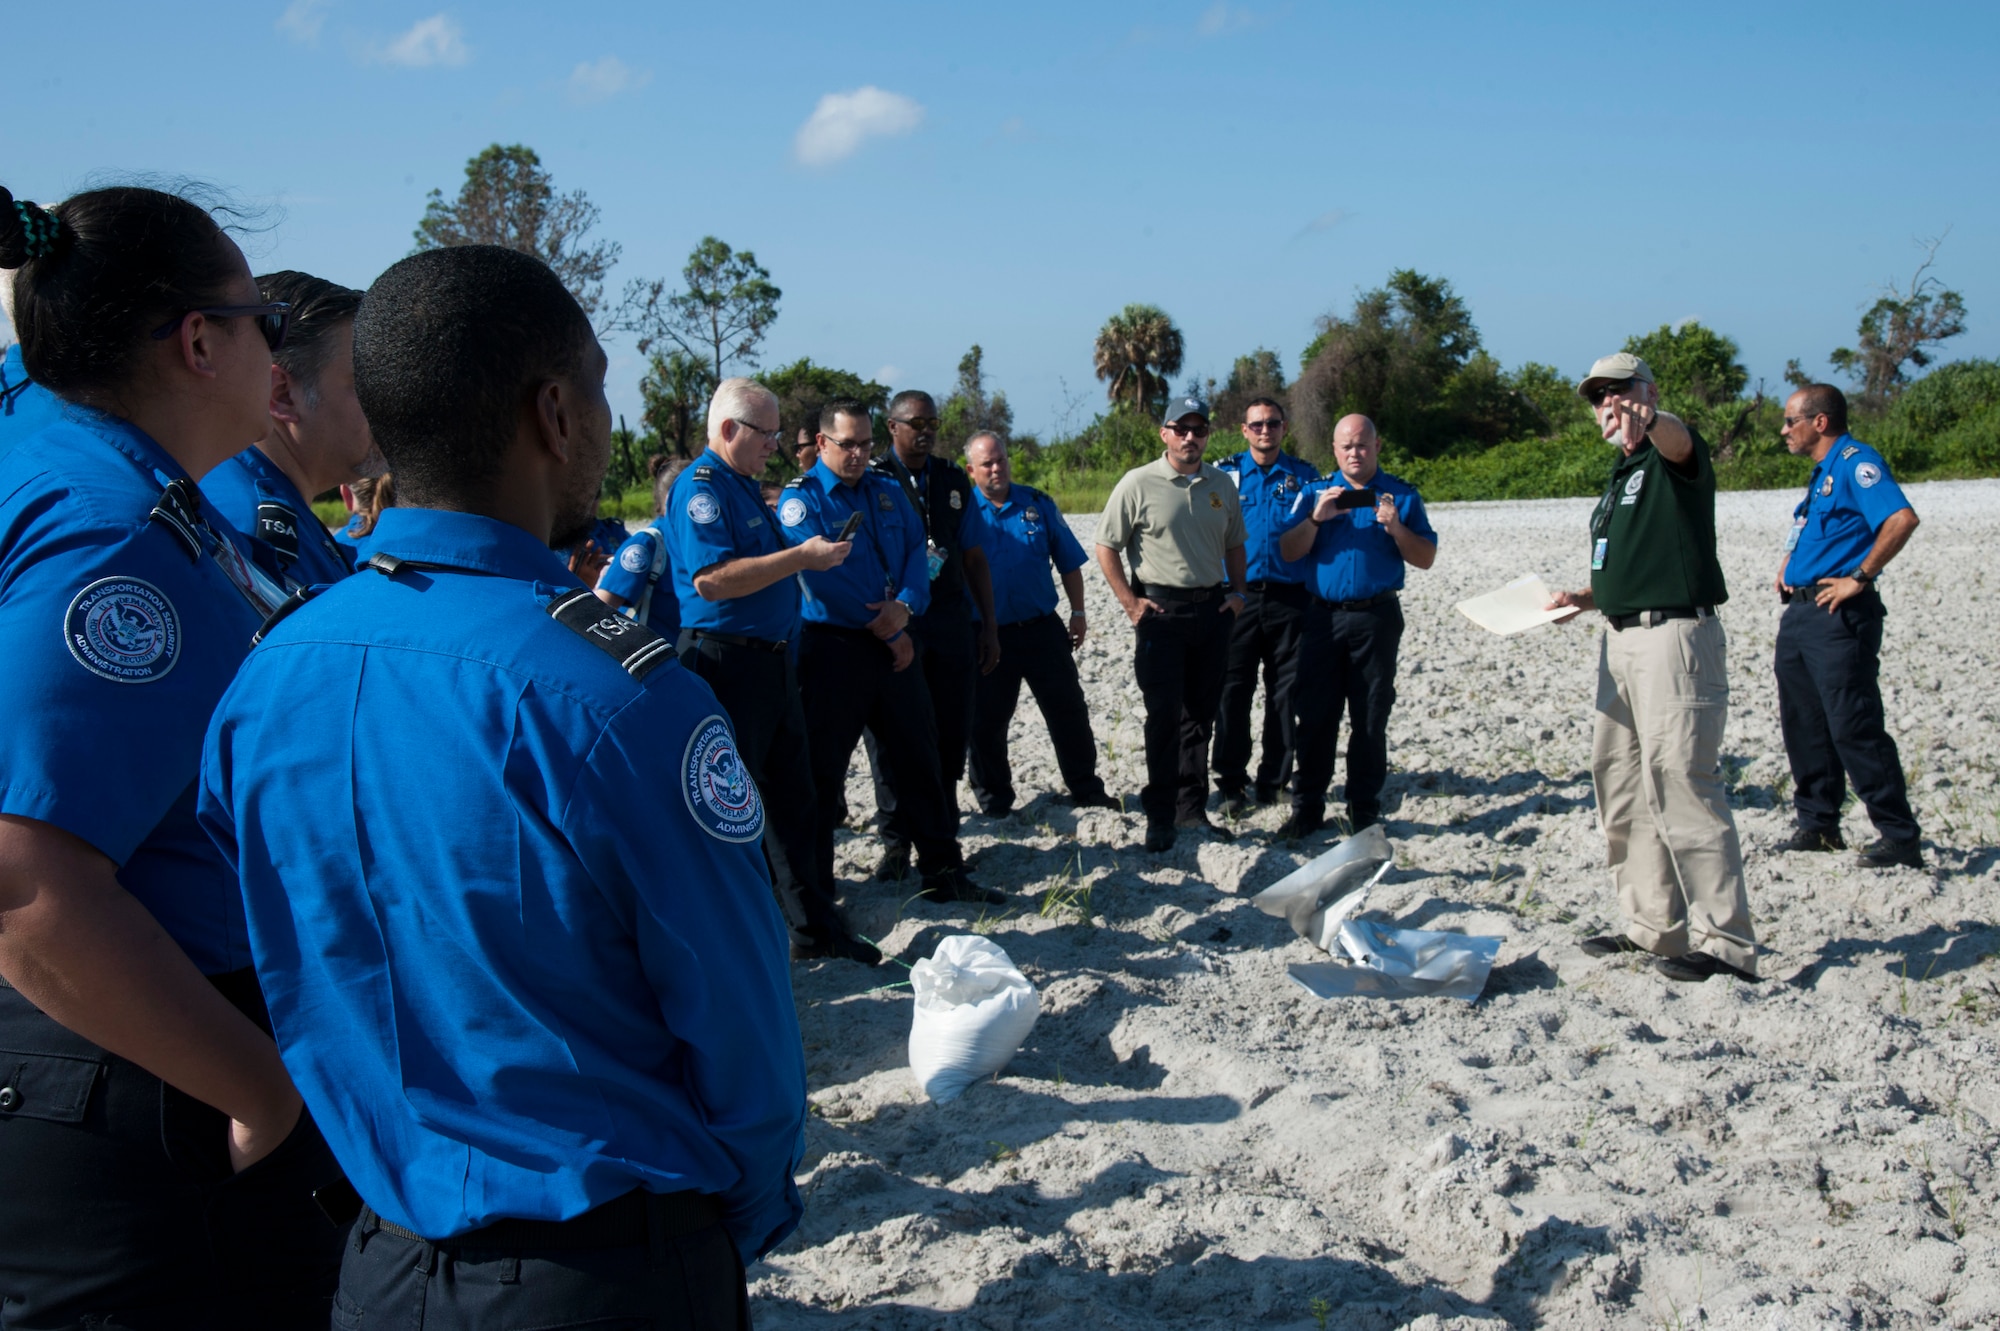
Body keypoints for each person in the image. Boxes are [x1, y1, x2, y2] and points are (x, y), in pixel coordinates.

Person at [198, 244, 805, 1328]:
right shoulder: (621, 692)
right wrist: (739, 1213)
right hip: (604, 1264)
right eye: (604, 391)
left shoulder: (268, 669)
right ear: (556, 414)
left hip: (379, 1261)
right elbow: (739, 1021)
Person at [0, 183, 342, 1328]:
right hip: (133, 1071)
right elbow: (24, 880)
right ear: (200, 342)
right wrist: (258, 1089)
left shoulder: (49, 438)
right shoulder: (117, 537)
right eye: (266, 323)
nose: (278, 357)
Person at [1547, 352, 1758, 984]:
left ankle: (1725, 942)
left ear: (1648, 392)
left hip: (1675, 639)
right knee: (1622, 784)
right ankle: (1653, 929)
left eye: (1620, 391)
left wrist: (1655, 417)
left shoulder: (1671, 455)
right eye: (1597, 396)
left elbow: (1679, 440)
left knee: (1684, 782)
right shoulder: (1621, 472)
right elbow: (1631, 556)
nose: (1608, 404)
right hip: (1621, 639)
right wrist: (1588, 598)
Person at [667, 378, 882, 964]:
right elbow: (712, 579)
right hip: (726, 664)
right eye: (767, 433)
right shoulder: (702, 490)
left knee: (795, 799)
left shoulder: (742, 488)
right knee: (733, 811)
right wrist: (800, 558)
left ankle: (815, 931)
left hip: (770, 663)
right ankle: (742, 939)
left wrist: (809, 550)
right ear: (730, 430)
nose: (777, 443)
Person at [779, 398, 1000, 903]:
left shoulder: (885, 491)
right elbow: (824, 579)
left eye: (864, 443)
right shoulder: (803, 499)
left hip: (897, 640)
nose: (857, 454)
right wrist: (888, 628)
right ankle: (816, 893)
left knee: (920, 759)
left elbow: (917, 557)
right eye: (846, 444)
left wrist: (905, 606)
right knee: (824, 774)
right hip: (835, 648)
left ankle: (944, 873)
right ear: (821, 444)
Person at [1772, 383, 1924, 869]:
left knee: (1851, 722)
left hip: (1838, 614)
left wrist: (1860, 577)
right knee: (1805, 723)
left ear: (1820, 422)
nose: (1784, 430)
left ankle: (1898, 835)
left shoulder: (1858, 460)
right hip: (1801, 611)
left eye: (1791, 420)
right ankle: (1819, 824)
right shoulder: (1822, 474)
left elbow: (1900, 518)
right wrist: (1790, 563)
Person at [1094, 394, 1249, 853]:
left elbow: (1236, 544)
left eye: (1198, 430)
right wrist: (1129, 602)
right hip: (1160, 614)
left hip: (1213, 612)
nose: (1190, 437)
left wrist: (1238, 594)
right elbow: (1106, 546)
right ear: (1164, 433)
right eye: (1181, 429)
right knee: (1164, 716)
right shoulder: (1137, 483)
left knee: (1200, 716)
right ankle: (1159, 815)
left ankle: (1191, 810)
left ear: (1207, 435)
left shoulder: (1221, 483)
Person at [1275, 414, 1436, 838]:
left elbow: (1425, 557)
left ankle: (1363, 809)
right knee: (1314, 716)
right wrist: (1315, 519)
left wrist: (1396, 527)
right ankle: (1307, 807)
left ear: (1377, 446)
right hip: (1321, 617)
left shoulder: (1401, 495)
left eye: (1362, 445)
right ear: (1334, 450)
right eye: (1346, 445)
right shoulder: (1313, 493)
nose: (1354, 452)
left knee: (1370, 715)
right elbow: (1287, 552)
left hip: (1375, 618)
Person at [863, 390, 1000, 881]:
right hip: (896, 622)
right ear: (892, 427)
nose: (925, 431)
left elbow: (973, 557)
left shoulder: (949, 479)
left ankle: (940, 832)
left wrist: (987, 623)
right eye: (915, 422)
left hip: (948, 621)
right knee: (892, 738)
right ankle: (897, 843)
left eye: (933, 423)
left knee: (949, 731)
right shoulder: (872, 479)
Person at [960, 430, 1118, 816]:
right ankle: (995, 800)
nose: (997, 468)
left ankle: (1086, 788)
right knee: (987, 722)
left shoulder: (1037, 503)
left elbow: (1068, 562)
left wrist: (1078, 613)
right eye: (987, 464)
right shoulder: (960, 512)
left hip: (1041, 628)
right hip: (985, 634)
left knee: (1069, 710)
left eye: (1001, 459)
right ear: (970, 470)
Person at [201, 270, 381, 587]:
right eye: (363, 384)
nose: (384, 404)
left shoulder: (266, 507)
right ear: (283, 395)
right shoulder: (251, 536)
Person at [1212, 396, 1319, 818]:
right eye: (1256, 424)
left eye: (1272, 424)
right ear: (1243, 429)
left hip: (1292, 598)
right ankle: (1231, 783)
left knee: (1285, 695)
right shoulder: (1222, 476)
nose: (1264, 431)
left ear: (1284, 427)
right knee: (1232, 692)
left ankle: (1274, 781)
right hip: (1237, 597)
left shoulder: (1305, 478)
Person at [596, 455, 688, 637]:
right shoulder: (646, 545)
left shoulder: (696, 543)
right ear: (673, 497)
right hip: (652, 659)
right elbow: (598, 611)